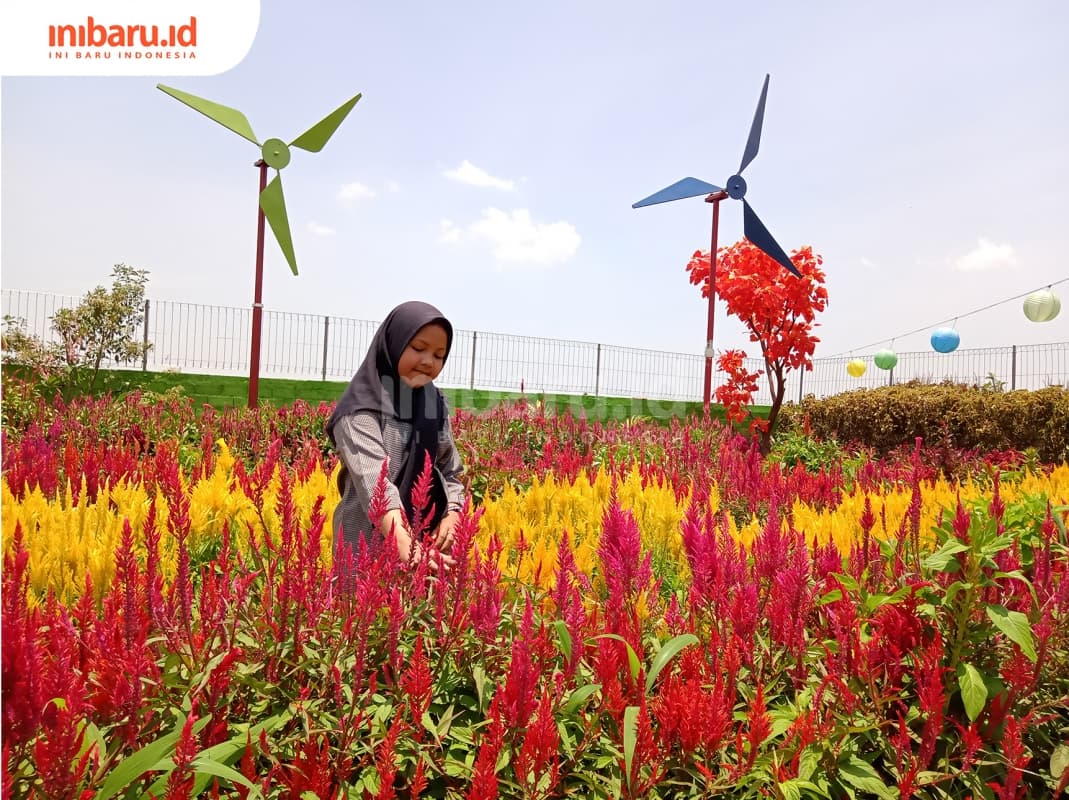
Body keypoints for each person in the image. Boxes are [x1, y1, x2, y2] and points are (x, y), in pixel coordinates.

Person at [326, 300, 465, 569]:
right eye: (418, 348)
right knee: (364, 611)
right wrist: (402, 542)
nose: (428, 361)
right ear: (394, 343)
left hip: (426, 547)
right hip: (365, 551)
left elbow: (451, 471)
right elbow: (374, 486)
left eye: (439, 355)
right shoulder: (360, 410)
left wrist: (453, 513)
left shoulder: (433, 406)